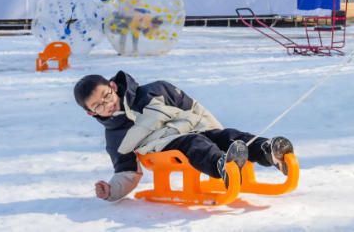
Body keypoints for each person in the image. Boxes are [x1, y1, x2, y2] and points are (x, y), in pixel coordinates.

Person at [74, 70, 294, 201]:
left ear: (113, 86)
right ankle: (221, 166)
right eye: (98, 105)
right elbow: (126, 170)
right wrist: (112, 190)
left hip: (192, 127)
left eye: (106, 95)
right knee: (193, 142)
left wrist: (212, 130)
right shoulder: (115, 135)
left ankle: (268, 150)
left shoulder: (154, 90)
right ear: (91, 112)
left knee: (227, 135)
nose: (107, 104)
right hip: (163, 148)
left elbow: (193, 108)